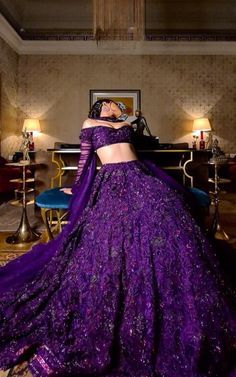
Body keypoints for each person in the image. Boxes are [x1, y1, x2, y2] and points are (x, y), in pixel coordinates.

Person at [0, 99, 236, 377]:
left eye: (116, 105)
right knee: (110, 233)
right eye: (108, 104)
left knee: (171, 216)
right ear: (98, 109)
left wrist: (128, 120)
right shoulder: (89, 124)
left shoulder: (126, 124)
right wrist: (75, 189)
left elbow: (140, 146)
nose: (113, 107)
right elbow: (86, 161)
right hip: (111, 180)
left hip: (140, 177)